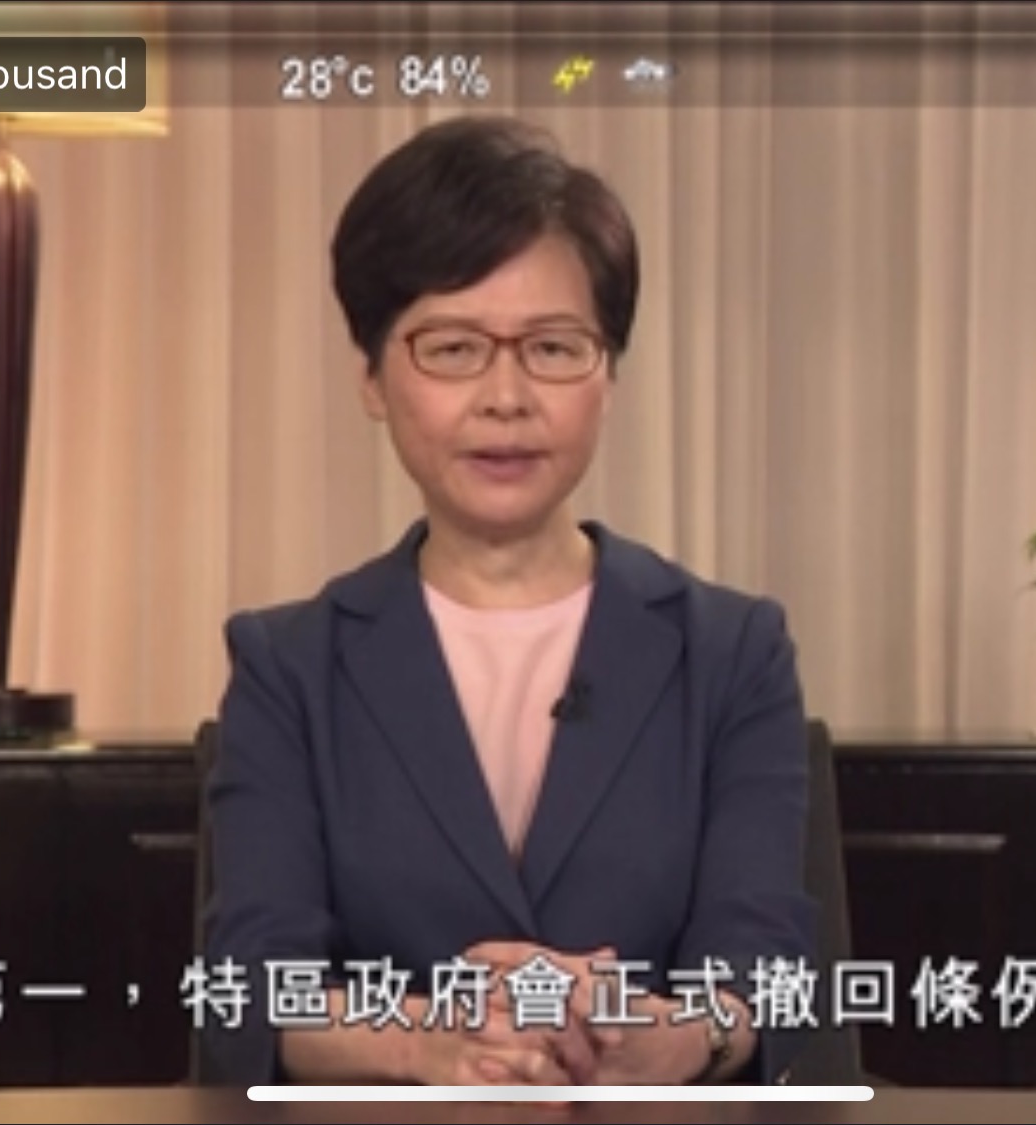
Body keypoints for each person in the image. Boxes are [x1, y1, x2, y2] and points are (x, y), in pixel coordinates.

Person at [199, 114, 816, 1088]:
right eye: (452, 348)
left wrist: (668, 1036)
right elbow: (252, 987)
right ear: (372, 376)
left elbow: (763, 964)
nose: (505, 396)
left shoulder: (733, 651)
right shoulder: (290, 668)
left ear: (609, 373)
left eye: (554, 348)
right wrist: (431, 1043)